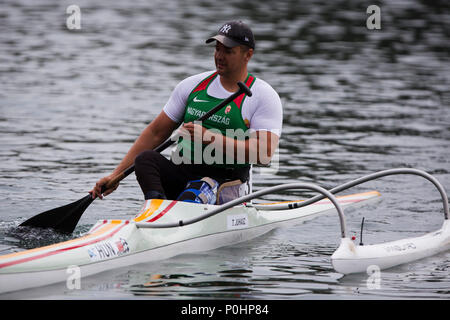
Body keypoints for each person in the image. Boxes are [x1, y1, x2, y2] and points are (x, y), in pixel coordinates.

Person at [89, 21, 283, 203]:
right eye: (217, 49)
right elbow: (155, 133)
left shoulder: (263, 95)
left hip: (226, 182)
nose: (219, 56)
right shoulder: (191, 86)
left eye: (228, 51)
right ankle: (156, 210)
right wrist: (115, 176)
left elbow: (264, 153)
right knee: (145, 160)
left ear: (248, 55)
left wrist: (209, 138)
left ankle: (170, 217)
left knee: (194, 193)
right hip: (184, 173)